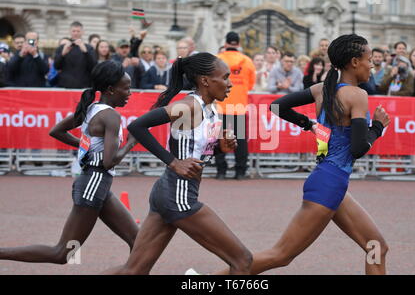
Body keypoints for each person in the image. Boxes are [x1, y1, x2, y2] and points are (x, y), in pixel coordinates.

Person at [201, 33, 390, 276]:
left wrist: (308, 124)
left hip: (331, 183)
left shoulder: (323, 89)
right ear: (354, 62)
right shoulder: (357, 95)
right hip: (329, 184)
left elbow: (277, 106)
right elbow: (357, 149)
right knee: (280, 255)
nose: (372, 65)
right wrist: (378, 128)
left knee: (376, 247)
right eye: (369, 59)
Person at [102, 53, 253, 275]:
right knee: (242, 260)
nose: (230, 84)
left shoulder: (210, 108)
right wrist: (173, 162)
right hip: (179, 197)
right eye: (225, 77)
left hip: (168, 193)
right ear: (205, 81)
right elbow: (137, 126)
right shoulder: (189, 106)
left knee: (134, 271)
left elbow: (195, 148)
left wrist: (223, 145)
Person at [0, 61, 139, 264]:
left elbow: (56, 131)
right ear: (110, 89)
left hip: (96, 184)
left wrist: (86, 146)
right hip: (93, 183)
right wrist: (131, 143)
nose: (130, 93)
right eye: (126, 88)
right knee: (62, 254)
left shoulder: (91, 108)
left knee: (138, 241)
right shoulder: (111, 115)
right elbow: (109, 162)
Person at [215, 32, 256, 180]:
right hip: (239, 105)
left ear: (226, 44)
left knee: (219, 138)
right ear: (238, 44)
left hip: (220, 104)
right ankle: (240, 171)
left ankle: (221, 170)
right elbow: (251, 84)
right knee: (240, 139)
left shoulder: (218, 59)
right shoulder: (247, 61)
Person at [53, 21, 97, 88]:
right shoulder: (62, 47)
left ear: (82, 32)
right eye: (74, 31)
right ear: (70, 32)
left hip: (83, 86)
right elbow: (56, 66)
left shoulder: (89, 48)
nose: (76, 33)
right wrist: (63, 54)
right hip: (65, 86)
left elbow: (93, 66)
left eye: (78, 31)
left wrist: (85, 52)